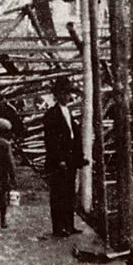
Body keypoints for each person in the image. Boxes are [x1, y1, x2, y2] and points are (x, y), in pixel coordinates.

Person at [43, 76, 87, 237]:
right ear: (58, 95)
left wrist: (79, 157)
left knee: (69, 193)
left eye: (68, 94)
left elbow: (73, 137)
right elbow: (51, 141)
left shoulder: (68, 112)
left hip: (70, 160)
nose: (67, 97)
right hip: (59, 161)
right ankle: (59, 227)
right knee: (58, 194)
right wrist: (59, 159)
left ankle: (69, 224)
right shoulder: (51, 114)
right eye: (64, 93)